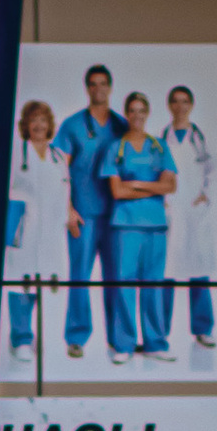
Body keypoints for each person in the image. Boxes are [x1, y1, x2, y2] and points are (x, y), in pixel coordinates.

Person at [53, 65, 126, 362]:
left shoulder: (121, 126)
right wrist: (68, 209)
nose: (99, 89)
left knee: (116, 278)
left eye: (103, 83)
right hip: (82, 215)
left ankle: (118, 340)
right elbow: (58, 170)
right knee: (79, 276)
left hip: (116, 215)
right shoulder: (72, 126)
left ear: (110, 87)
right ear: (87, 88)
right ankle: (76, 336)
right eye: (93, 84)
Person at [105, 91, 175, 364]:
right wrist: (153, 188)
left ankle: (155, 343)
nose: (137, 116)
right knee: (124, 283)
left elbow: (170, 185)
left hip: (156, 226)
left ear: (148, 113)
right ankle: (124, 344)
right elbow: (117, 192)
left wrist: (135, 184)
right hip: (126, 225)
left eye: (141, 111)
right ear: (126, 114)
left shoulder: (159, 146)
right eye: (132, 111)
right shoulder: (116, 148)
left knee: (153, 285)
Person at [2, 94, 67, 361]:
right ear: (25, 125)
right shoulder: (16, 153)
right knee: (20, 283)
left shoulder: (58, 156)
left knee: (46, 283)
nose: (39, 125)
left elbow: (65, 191)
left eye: (43, 120)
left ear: (49, 124)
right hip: (24, 227)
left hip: (51, 229)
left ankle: (39, 336)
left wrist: (69, 217)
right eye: (33, 120)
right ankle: (21, 338)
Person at [162, 82, 217, 358]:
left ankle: (203, 328)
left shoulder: (201, 138)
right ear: (169, 106)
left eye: (185, 101)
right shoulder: (162, 139)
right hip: (171, 209)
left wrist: (205, 196)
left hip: (195, 211)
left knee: (199, 270)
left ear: (191, 105)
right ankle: (160, 331)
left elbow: (214, 171)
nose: (180, 106)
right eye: (175, 101)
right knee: (166, 272)